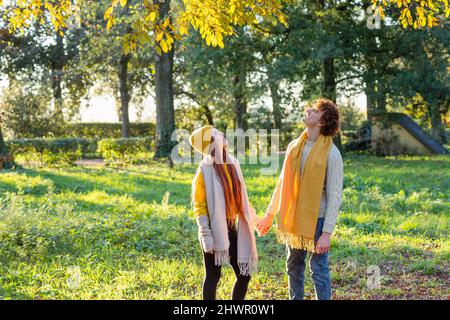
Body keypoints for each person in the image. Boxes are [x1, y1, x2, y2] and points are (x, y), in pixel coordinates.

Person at [256, 98, 344, 300]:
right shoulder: (294, 147)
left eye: (316, 110)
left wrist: (327, 233)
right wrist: (270, 214)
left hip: (318, 221)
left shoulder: (332, 154)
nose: (309, 110)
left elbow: (335, 196)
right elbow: (282, 184)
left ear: (321, 122)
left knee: (319, 270)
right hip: (295, 216)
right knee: (293, 266)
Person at [190, 125, 259, 300]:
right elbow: (199, 205)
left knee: (244, 274)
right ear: (211, 143)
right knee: (213, 277)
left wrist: (254, 218)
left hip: (231, 227)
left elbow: (241, 198)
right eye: (216, 133)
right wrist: (206, 234)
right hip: (213, 230)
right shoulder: (204, 170)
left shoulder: (233, 163)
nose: (221, 134)